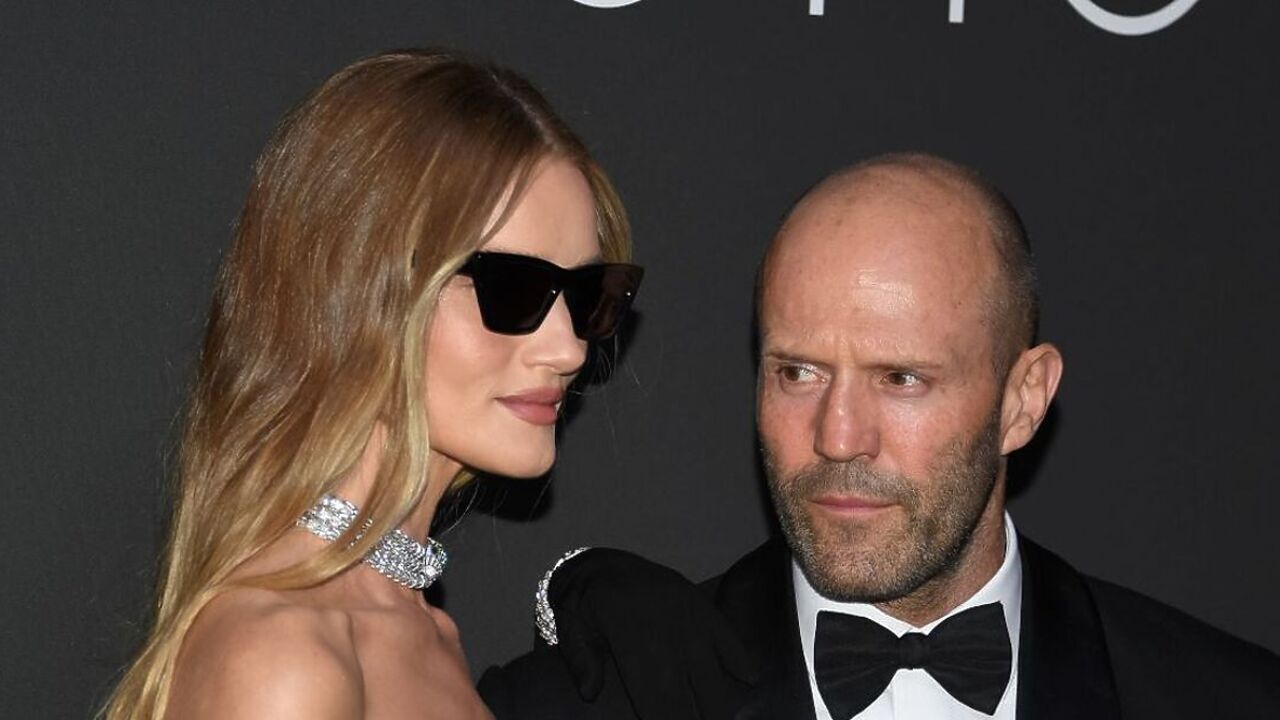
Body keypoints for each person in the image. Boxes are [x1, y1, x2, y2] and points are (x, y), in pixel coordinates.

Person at [480, 153, 1280, 719]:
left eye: (901, 379)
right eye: (798, 372)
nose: (838, 437)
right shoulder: (593, 702)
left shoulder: (1222, 698)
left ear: (1023, 401)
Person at [102, 48, 645, 719]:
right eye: (515, 289)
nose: (568, 349)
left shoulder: (424, 633)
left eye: (587, 293)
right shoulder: (285, 656)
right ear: (360, 297)